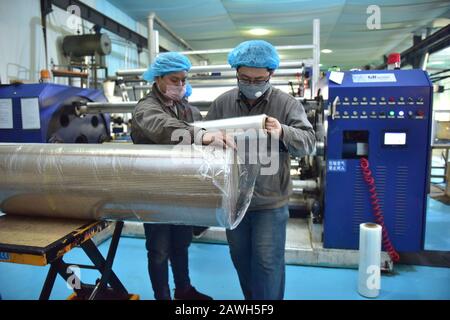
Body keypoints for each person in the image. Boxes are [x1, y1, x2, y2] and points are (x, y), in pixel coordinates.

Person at [205, 40, 316, 300]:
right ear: (236, 73)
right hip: (232, 200)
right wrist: (208, 138)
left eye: (258, 79)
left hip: (270, 202)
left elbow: (309, 143)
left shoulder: (287, 105)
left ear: (271, 75)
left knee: (267, 263)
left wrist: (283, 132)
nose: (251, 84)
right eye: (245, 78)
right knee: (241, 260)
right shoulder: (222, 104)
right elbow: (203, 138)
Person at [131, 52, 234, 300]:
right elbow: (163, 128)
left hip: (181, 188)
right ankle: (163, 297)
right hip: (155, 190)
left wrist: (221, 134)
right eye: (174, 80)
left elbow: (202, 127)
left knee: (181, 243)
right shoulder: (146, 108)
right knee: (158, 249)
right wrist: (202, 136)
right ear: (158, 79)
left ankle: (184, 290)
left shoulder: (185, 108)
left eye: (183, 80)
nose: (179, 85)